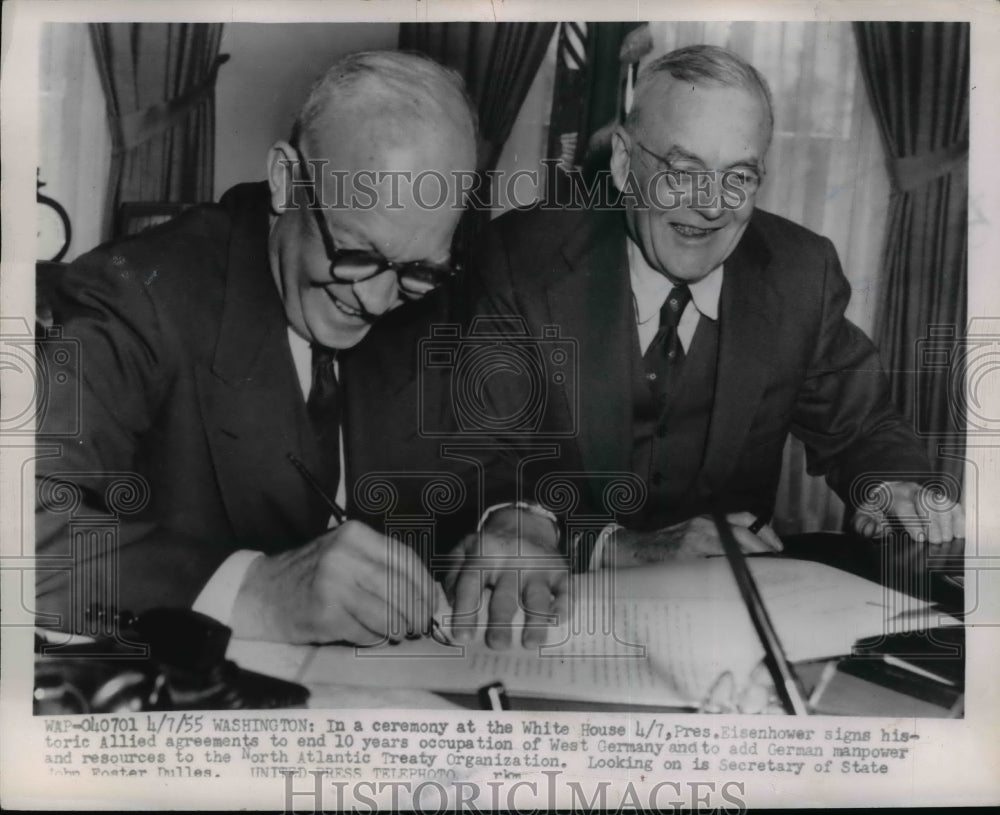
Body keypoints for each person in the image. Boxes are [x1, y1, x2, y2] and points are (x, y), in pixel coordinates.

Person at [35, 50, 516, 647]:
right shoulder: (138, 294)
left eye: (416, 269)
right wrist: (250, 591)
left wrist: (514, 523)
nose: (374, 299)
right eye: (355, 254)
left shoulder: (421, 301)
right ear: (288, 181)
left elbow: (488, 462)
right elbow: (28, 531)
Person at [457, 44, 963, 598]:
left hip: (726, 609)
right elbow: (476, 459)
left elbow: (863, 427)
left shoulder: (799, 273)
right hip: (558, 599)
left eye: (738, 176)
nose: (712, 206)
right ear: (625, 163)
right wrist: (611, 548)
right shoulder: (522, 257)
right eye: (683, 169)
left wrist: (891, 485)